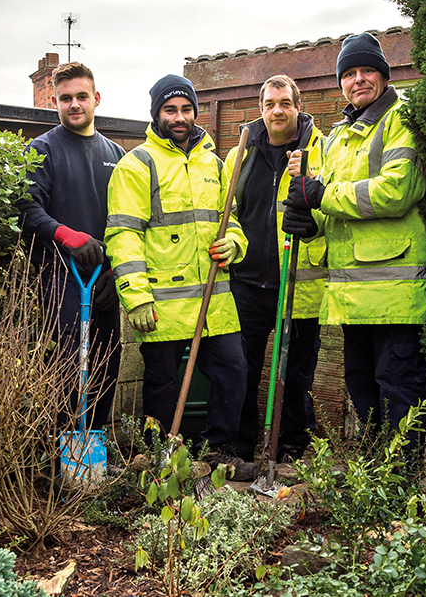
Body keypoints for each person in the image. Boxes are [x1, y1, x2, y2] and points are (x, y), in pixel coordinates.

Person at [284, 33, 426, 453]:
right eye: (349, 73)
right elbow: (331, 208)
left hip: (393, 288)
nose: (358, 79)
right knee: (360, 385)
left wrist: (320, 195)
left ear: (384, 76)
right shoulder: (339, 136)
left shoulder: (401, 120)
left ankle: (401, 474)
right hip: (351, 292)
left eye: (367, 70)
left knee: (397, 384)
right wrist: (309, 223)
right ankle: (371, 473)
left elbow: (397, 190)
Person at [105, 74, 253, 477]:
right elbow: (122, 235)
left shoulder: (215, 164)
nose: (180, 116)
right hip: (162, 303)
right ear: (156, 114)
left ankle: (219, 450)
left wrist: (234, 245)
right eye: (170, 109)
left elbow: (232, 221)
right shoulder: (137, 165)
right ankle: (160, 457)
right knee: (162, 385)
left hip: (213, 300)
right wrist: (135, 296)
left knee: (233, 372)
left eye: (186, 108)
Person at [17, 61, 124, 431]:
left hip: (103, 279)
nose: (74, 104)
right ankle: (63, 450)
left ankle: (95, 446)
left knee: (107, 363)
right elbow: (27, 211)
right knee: (66, 365)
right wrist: (67, 235)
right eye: (65, 98)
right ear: (54, 101)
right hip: (61, 279)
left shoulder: (116, 154)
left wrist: (115, 271)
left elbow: (126, 220)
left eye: (81, 96)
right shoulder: (42, 149)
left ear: (96, 98)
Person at [223, 75, 325, 463]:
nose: (277, 111)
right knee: (242, 369)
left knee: (297, 373)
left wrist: (315, 227)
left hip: (299, 282)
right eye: (269, 104)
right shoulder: (241, 156)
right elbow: (227, 212)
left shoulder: (321, 152)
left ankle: (293, 448)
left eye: (285, 103)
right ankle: (242, 448)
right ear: (260, 108)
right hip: (248, 284)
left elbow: (332, 211)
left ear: (298, 106)